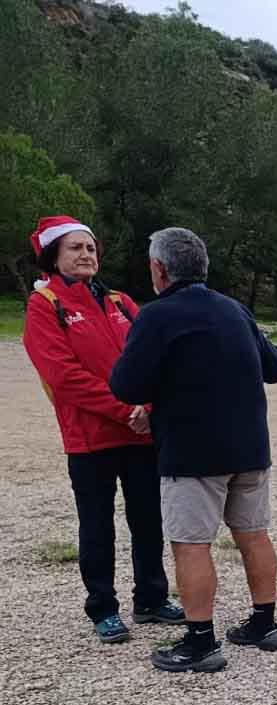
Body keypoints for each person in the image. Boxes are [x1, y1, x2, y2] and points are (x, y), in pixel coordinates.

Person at [110, 228, 277, 673]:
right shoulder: (234, 310)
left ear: (159, 268)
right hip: (250, 447)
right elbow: (276, 367)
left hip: (192, 453)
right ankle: (264, 624)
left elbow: (125, 384)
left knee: (191, 544)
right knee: (254, 533)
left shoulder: (157, 316)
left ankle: (200, 641)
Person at [23, 215, 184, 643]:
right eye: (75, 248)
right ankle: (103, 608)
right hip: (90, 438)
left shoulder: (120, 302)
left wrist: (146, 407)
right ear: (53, 257)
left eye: (90, 247)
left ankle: (151, 597)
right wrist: (124, 407)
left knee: (149, 519)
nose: (86, 254)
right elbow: (63, 375)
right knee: (97, 524)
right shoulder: (45, 306)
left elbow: (156, 357)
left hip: (140, 433)